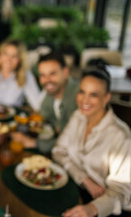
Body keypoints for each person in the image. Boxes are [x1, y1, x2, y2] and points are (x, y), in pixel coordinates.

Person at [52, 67, 131, 217]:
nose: (84, 100)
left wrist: (92, 209)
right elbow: (58, 151)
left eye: (93, 94)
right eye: (82, 92)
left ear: (106, 97)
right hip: (78, 188)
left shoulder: (122, 136)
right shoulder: (78, 116)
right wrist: (85, 179)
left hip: (109, 207)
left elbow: (121, 192)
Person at [11, 52, 79, 153]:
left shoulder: (79, 97)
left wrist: (33, 142)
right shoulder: (51, 92)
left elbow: (73, 142)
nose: (47, 80)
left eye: (52, 74)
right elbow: (43, 116)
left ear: (65, 73)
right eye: (42, 75)